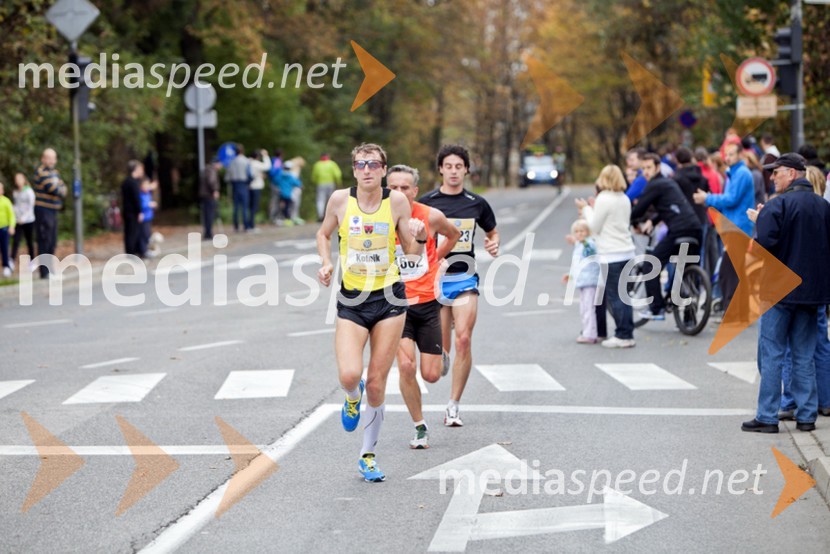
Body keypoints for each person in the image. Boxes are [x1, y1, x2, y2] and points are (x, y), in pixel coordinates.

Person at [316, 143, 427, 482]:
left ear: (383, 169)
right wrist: (325, 262)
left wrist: (419, 238)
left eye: (373, 164)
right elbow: (323, 234)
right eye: (360, 164)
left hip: (390, 298)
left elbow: (410, 250)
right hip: (352, 299)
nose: (366, 170)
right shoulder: (339, 200)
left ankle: (367, 455)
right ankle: (352, 398)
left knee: (377, 383)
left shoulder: (396, 202)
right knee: (351, 375)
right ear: (353, 170)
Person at [741, 153, 830, 433]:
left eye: (776, 172)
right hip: (812, 293)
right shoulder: (823, 207)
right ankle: (806, 416)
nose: (772, 177)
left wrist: (760, 220)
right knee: (804, 355)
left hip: (778, 293)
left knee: (773, 354)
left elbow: (762, 247)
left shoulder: (776, 205)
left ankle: (767, 416)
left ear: (792, 173)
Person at [419, 144, 499, 426]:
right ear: (440, 169)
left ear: (466, 169)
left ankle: (453, 405)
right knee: (440, 354)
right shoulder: (426, 202)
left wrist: (493, 242)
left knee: (464, 338)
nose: (453, 171)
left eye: (459, 166)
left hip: (464, 278)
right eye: (448, 166)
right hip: (435, 281)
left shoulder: (476, 203)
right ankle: (442, 353)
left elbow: (492, 231)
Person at [386, 164, 460, 449]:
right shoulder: (379, 219)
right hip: (396, 304)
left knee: (430, 374)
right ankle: (419, 426)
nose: (399, 192)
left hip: (427, 303)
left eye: (405, 187)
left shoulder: (431, 215)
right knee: (406, 366)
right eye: (393, 187)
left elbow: (453, 234)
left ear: (415, 191)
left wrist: (436, 259)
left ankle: (441, 357)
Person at [630, 153, 702, 320]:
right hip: (695, 228)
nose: (646, 172)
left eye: (649, 168)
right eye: (643, 169)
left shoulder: (654, 185)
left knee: (650, 265)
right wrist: (653, 220)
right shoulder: (668, 182)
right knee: (686, 271)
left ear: (657, 167)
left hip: (679, 230)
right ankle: (689, 318)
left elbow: (639, 208)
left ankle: (656, 308)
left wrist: (632, 221)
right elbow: (671, 207)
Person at [693, 142, 755, 322]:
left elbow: (731, 199)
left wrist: (707, 198)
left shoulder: (742, 173)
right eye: (726, 154)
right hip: (734, 226)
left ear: (740, 155)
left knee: (728, 272)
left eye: (731, 154)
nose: (727, 158)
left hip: (738, 227)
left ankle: (733, 313)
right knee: (734, 271)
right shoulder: (734, 173)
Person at [576, 165, 636, 348]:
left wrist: (586, 209)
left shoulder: (603, 198)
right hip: (627, 250)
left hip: (611, 253)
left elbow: (594, 226)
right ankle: (627, 332)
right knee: (624, 296)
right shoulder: (624, 198)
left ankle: (623, 334)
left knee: (615, 296)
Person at [562, 219, 600, 343]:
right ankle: (587, 331)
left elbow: (591, 252)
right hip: (582, 280)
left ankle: (590, 334)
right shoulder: (579, 245)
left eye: (582, 231)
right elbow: (577, 264)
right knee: (583, 308)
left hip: (590, 280)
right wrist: (570, 275)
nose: (579, 234)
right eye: (577, 231)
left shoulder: (588, 244)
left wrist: (583, 242)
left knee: (589, 308)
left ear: (588, 232)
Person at [32, 148, 66, 278]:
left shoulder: (55, 173)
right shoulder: (41, 172)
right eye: (49, 158)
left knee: (52, 241)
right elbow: (53, 189)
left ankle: (51, 270)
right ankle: (44, 272)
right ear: (43, 159)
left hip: (53, 211)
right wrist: (58, 188)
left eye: (54, 158)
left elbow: (64, 189)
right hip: (43, 210)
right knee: (44, 240)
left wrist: (59, 188)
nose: (52, 161)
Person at [11, 172, 36, 268]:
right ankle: (11, 261)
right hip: (18, 221)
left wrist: (24, 218)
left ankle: (32, 261)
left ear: (24, 179)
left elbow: (31, 206)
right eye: (16, 179)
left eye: (19, 179)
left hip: (28, 220)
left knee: (29, 241)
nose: (17, 181)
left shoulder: (29, 191)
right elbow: (16, 206)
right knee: (16, 241)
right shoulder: (16, 192)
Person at [225, 144, 251, 232]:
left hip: (235, 185)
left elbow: (227, 177)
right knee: (244, 207)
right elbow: (250, 174)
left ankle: (236, 226)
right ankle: (245, 226)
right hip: (243, 184)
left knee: (236, 207)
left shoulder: (232, 161)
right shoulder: (246, 161)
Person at [122, 160, 145, 256]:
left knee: (129, 232)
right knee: (133, 232)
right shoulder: (133, 183)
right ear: (135, 169)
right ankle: (133, 252)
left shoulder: (126, 182)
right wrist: (139, 211)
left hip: (127, 211)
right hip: (133, 212)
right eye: (140, 169)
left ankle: (130, 251)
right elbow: (136, 198)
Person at [311, 153, 342, 221]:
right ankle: (331, 215)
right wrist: (338, 182)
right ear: (328, 157)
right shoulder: (332, 164)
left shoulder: (317, 165)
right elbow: (337, 174)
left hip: (320, 183)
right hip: (330, 183)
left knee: (320, 200)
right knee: (330, 199)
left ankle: (320, 215)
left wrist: (315, 182)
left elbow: (314, 176)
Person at [247, 149, 271, 232]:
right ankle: (251, 226)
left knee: (250, 207)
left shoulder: (248, 162)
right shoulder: (255, 163)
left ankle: (249, 224)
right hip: (256, 187)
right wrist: (266, 156)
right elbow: (267, 166)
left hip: (249, 187)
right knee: (254, 207)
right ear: (257, 157)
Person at [200, 158, 222, 240]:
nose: (221, 166)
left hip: (205, 194)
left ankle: (207, 233)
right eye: (220, 164)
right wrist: (215, 190)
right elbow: (211, 181)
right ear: (216, 163)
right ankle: (208, 233)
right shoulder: (212, 171)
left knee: (206, 214)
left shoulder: (206, 169)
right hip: (209, 195)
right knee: (210, 214)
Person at [138, 178, 158, 257]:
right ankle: (143, 251)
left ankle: (147, 250)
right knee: (144, 234)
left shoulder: (148, 193)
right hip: (144, 217)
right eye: (145, 185)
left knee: (148, 234)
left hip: (149, 216)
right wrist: (149, 205)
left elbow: (150, 187)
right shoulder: (140, 194)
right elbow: (140, 205)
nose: (147, 186)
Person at [0, 182, 16, 278]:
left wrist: (12, 226)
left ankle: (6, 266)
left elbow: (12, 215)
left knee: (4, 248)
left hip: (4, 229)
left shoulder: (6, 201)